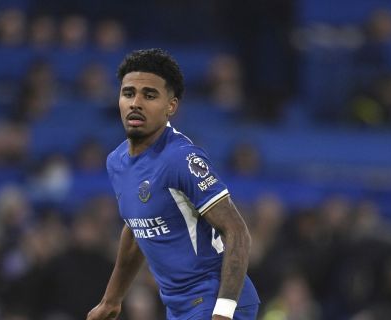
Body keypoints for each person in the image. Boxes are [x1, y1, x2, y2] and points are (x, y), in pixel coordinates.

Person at [86, 48, 260, 320]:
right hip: (178, 308)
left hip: (213, 300)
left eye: (150, 95)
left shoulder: (182, 158)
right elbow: (135, 230)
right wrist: (111, 301)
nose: (136, 103)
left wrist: (223, 313)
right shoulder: (116, 162)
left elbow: (237, 230)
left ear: (171, 106)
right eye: (128, 93)